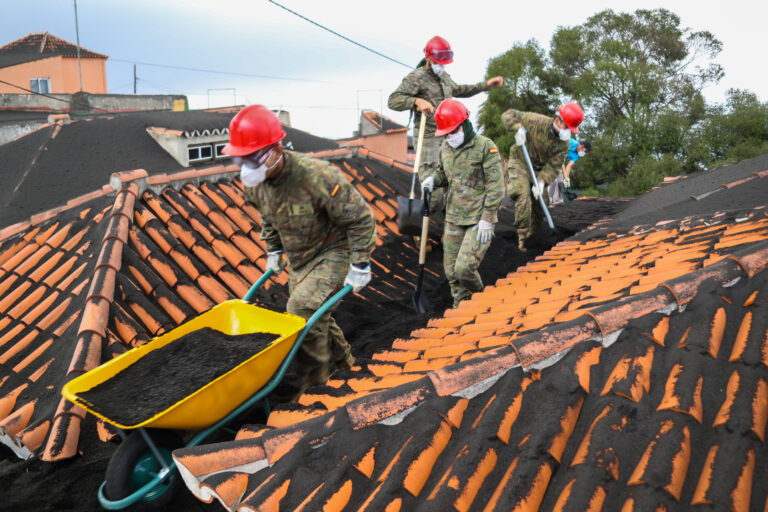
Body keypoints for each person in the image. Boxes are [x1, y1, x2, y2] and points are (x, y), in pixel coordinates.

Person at [223, 105, 377, 398]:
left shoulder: (317, 176)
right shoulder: (254, 186)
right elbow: (267, 216)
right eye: (240, 159)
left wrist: (360, 264)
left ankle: (314, 389)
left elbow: (360, 219)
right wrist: (273, 249)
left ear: (277, 149)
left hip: (335, 251)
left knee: (301, 311)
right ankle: (347, 368)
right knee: (317, 318)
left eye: (253, 158)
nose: (247, 167)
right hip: (300, 259)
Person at [388, 36, 504, 218]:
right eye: (438, 62)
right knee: (432, 193)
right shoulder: (416, 77)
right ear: (428, 58)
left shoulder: (444, 77)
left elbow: (458, 90)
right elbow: (393, 100)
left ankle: (448, 235)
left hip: (448, 138)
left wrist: (485, 86)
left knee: (453, 188)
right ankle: (419, 229)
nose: (442, 66)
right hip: (428, 141)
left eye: (444, 63)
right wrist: (416, 101)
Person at [420, 99, 504, 308]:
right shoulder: (446, 148)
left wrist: (487, 218)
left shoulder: (485, 147)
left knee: (464, 268)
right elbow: (444, 174)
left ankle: (482, 302)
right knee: (451, 273)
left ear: (465, 124)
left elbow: (496, 186)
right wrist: (433, 179)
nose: (450, 137)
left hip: (478, 220)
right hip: (454, 218)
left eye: (453, 131)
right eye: (446, 133)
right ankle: (462, 309)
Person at [502, 102, 584, 248]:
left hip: (539, 170)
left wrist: (541, 182)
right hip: (520, 162)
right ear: (558, 120)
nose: (568, 132)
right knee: (523, 194)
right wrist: (518, 128)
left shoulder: (563, 145)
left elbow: (554, 166)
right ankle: (521, 238)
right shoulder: (535, 121)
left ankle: (533, 237)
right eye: (567, 127)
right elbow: (508, 115)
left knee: (541, 204)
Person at [549, 139, 591, 205]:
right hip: (551, 155)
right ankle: (548, 200)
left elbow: (569, 166)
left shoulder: (576, 156)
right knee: (553, 179)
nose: (584, 153)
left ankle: (558, 201)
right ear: (581, 146)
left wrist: (567, 179)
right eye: (585, 151)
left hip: (559, 161)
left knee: (560, 180)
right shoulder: (571, 142)